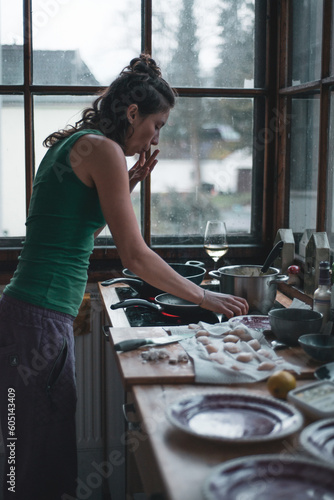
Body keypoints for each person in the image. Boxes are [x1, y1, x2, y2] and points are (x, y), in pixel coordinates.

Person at [0, 54, 248, 499]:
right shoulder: (105, 150)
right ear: (133, 113)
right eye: (158, 124)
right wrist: (207, 298)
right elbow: (134, 256)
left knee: (28, 452)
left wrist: (126, 184)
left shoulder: (80, 142)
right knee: (41, 462)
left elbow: (77, 229)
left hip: (27, 315)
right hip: (40, 320)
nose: (156, 136)